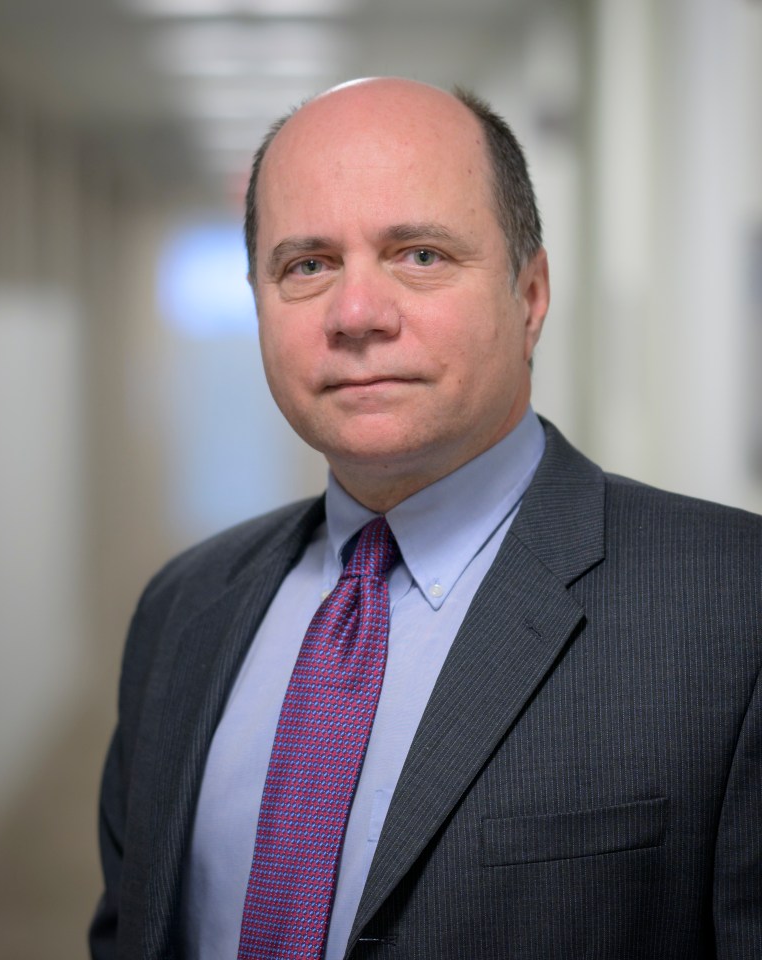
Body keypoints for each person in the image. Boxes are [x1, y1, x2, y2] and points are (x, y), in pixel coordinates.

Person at [90, 78, 762, 960]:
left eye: (419, 255)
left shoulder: (737, 608)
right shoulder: (182, 610)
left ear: (530, 295)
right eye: (308, 265)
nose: (357, 315)